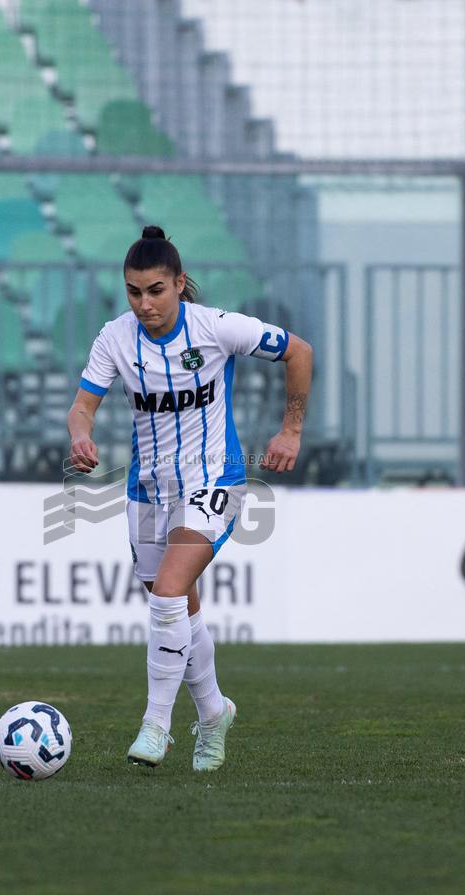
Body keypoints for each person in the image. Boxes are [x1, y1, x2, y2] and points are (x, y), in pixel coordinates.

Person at [67, 226, 313, 772]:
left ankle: (156, 726)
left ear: (180, 284)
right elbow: (82, 405)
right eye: (134, 291)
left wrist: (290, 431)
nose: (145, 303)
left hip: (215, 481)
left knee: (169, 592)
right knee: (178, 606)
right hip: (148, 488)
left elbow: (300, 352)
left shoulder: (217, 327)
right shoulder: (114, 338)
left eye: (156, 290)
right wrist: (80, 434)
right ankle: (213, 711)